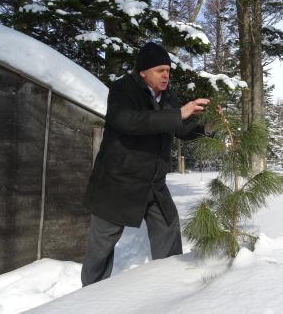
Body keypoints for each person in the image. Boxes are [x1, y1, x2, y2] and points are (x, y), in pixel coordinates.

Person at [81, 42, 209, 287]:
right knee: (101, 249)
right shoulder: (122, 90)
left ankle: (170, 289)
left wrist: (210, 131)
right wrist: (177, 114)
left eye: (168, 71)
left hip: (153, 183)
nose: (166, 75)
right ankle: (89, 297)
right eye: (160, 70)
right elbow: (127, 121)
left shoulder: (167, 95)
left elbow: (180, 126)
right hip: (117, 184)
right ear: (143, 72)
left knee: (169, 232)